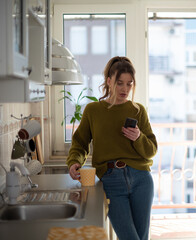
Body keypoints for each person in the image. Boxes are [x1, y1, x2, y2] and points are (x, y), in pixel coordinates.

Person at [66, 56, 158, 240]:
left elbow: (151, 150)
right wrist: (74, 161)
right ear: (109, 81)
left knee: (142, 237)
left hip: (141, 179)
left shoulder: (138, 110)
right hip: (111, 180)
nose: (125, 89)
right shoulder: (93, 110)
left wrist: (138, 137)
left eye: (129, 84)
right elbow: (80, 143)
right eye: (120, 83)